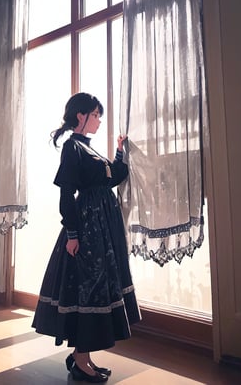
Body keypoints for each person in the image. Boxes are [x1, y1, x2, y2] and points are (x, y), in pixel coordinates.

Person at [32, 92, 141, 383]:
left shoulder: (91, 150)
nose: (98, 120)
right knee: (89, 290)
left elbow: (115, 176)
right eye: (95, 114)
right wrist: (73, 234)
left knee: (99, 289)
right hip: (89, 228)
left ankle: (83, 357)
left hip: (104, 227)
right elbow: (66, 192)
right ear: (81, 116)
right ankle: (81, 361)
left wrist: (119, 151)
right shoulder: (72, 148)